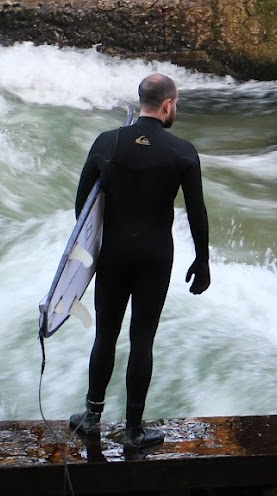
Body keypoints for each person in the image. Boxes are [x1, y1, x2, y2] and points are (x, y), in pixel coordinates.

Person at [68, 73, 210, 452]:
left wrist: (88, 254)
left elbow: (82, 207)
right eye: (175, 104)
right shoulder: (182, 151)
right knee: (142, 339)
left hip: (112, 254)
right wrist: (203, 260)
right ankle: (133, 430)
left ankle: (92, 418)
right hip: (155, 256)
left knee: (106, 336)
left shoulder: (107, 142)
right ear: (167, 105)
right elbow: (197, 213)